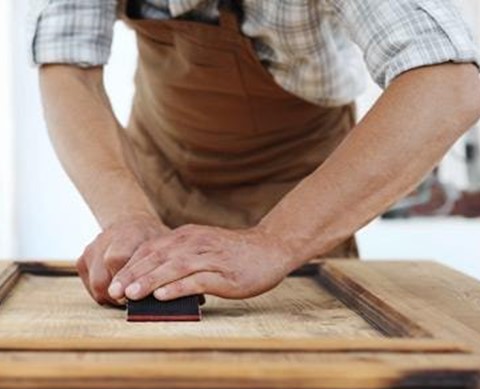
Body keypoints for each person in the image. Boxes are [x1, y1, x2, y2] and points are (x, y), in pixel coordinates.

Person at [29, 0, 480, 305]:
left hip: (299, 177)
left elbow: (448, 82)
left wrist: (276, 241)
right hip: (158, 169)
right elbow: (68, 64)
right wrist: (127, 215)